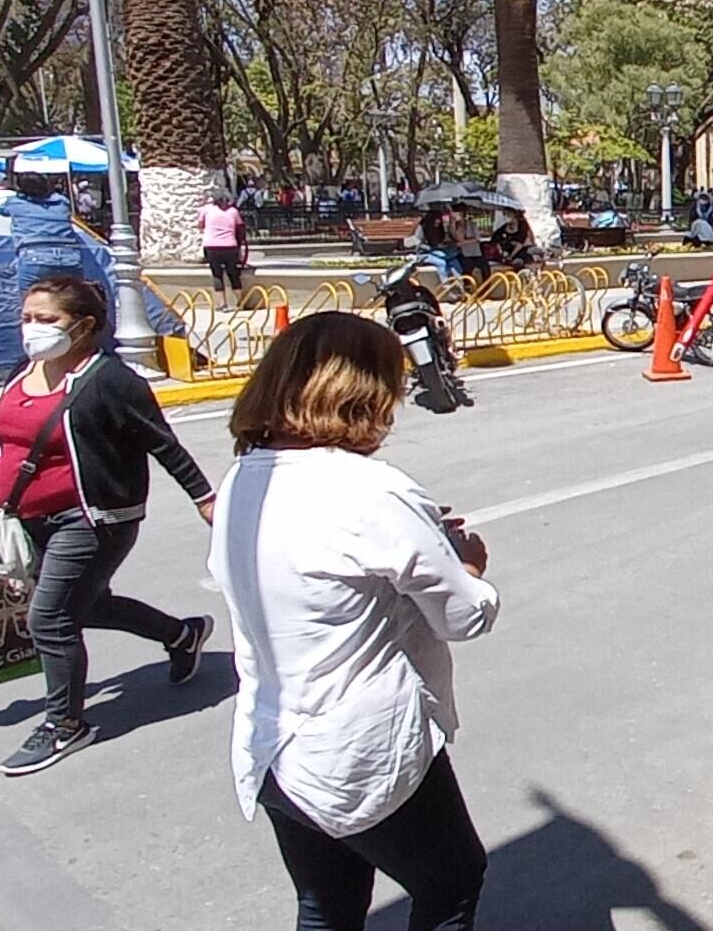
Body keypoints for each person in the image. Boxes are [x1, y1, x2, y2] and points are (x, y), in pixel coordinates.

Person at [209, 312, 497, 930]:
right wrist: (468, 566)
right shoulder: (370, 491)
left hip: (273, 743)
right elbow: (462, 616)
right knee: (451, 880)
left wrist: (417, 540)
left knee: (327, 901)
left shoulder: (244, 479)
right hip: (356, 750)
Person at [0, 277, 217, 776]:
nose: (32, 329)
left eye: (47, 320)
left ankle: (65, 725)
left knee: (50, 618)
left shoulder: (110, 380)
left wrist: (204, 496)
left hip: (94, 518)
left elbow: (163, 442)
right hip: (29, 518)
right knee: (87, 605)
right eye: (28, 317)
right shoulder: (21, 372)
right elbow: (5, 440)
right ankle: (180, 635)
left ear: (84, 326)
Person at [0, 171, 84, 292]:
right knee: (72, 302)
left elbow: (1, 210)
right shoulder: (62, 202)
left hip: (34, 255)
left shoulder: (14, 203)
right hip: (69, 255)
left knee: (31, 302)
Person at [198, 191, 248, 312]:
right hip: (230, 246)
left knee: (217, 274)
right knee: (233, 273)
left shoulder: (206, 210)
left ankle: (222, 303)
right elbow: (240, 227)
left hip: (212, 246)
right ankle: (240, 302)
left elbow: (200, 225)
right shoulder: (233, 212)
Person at [415, 207, 464, 283]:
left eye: (439, 219)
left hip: (437, 250)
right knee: (441, 262)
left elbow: (441, 239)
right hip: (423, 253)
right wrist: (431, 247)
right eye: (436, 220)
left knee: (454, 261)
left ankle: (460, 284)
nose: (438, 222)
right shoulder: (421, 228)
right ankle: (444, 285)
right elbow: (418, 244)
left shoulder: (439, 228)